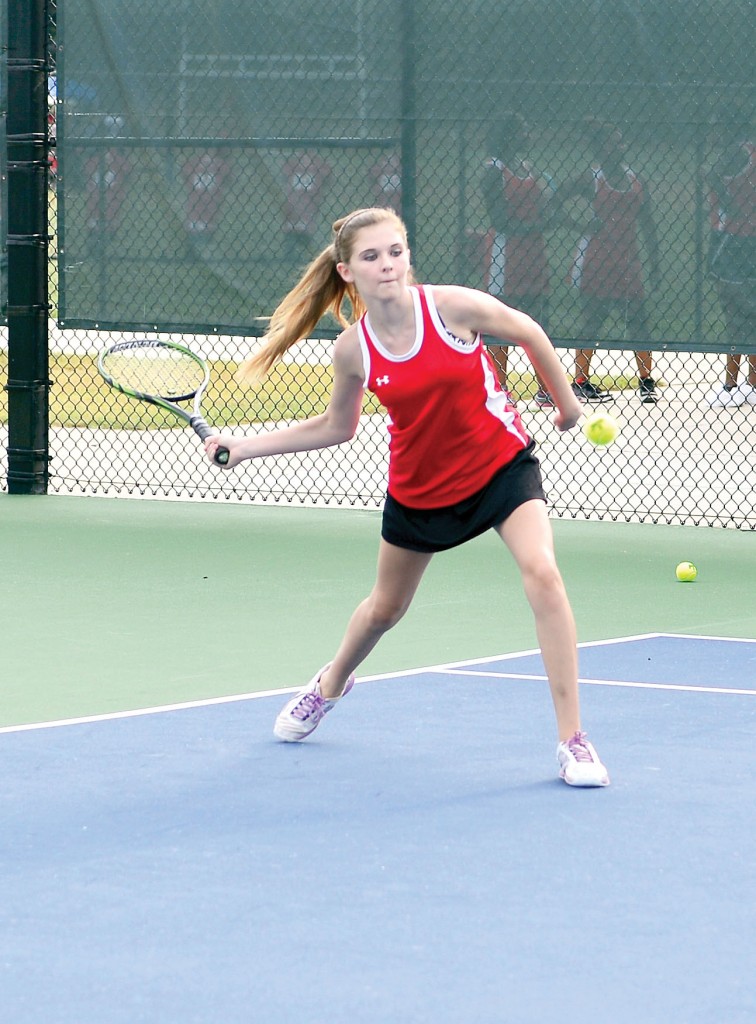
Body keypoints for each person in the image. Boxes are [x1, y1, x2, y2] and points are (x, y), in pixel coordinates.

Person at [204, 207, 609, 788]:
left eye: (395, 251)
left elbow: (527, 330)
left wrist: (567, 406)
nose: (387, 264)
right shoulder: (353, 350)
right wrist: (244, 447)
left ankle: (573, 740)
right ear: (347, 271)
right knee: (385, 610)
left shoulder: (452, 307)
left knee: (543, 572)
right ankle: (331, 683)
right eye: (371, 257)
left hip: (501, 467)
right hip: (420, 492)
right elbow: (335, 427)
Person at [557, 121, 661, 404]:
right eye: (613, 142)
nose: (619, 146)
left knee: (639, 321)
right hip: (597, 261)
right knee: (592, 320)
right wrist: (579, 224)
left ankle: (646, 381)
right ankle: (580, 381)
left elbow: (648, 225)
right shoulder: (591, 179)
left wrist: (654, 263)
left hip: (628, 262)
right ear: (600, 148)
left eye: (621, 141)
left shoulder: (636, 180)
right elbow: (554, 200)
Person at [481, 114, 554, 404]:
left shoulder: (527, 168)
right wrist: (543, 225)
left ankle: (546, 390)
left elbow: (540, 207)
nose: (529, 134)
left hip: (533, 253)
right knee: (501, 321)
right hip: (506, 254)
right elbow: (501, 220)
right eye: (524, 130)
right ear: (509, 136)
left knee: (538, 321)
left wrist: (549, 211)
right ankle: (500, 391)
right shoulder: (493, 171)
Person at [704, 111, 755, 408]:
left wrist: (729, 204)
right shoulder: (751, 150)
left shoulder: (735, 151)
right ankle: (750, 383)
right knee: (748, 311)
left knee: (735, 311)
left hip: (733, 239)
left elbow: (712, 175)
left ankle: (730, 386)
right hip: (749, 239)